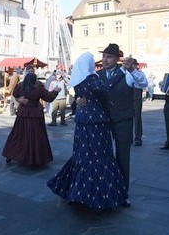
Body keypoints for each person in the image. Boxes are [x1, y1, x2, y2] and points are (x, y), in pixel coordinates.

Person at [47, 52, 127, 209]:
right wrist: (120, 73)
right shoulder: (92, 78)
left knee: (83, 154)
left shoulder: (78, 79)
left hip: (83, 119)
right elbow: (105, 88)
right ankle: (94, 195)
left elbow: (82, 96)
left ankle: (79, 190)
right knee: (99, 154)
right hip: (96, 120)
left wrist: (79, 99)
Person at [81, 43, 146, 206]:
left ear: (117, 59)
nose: (105, 59)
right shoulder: (97, 75)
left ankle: (123, 193)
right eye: (103, 56)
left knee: (123, 156)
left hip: (123, 120)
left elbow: (143, 83)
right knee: (103, 157)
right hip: (102, 122)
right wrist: (80, 100)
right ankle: (105, 190)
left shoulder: (127, 73)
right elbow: (88, 94)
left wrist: (132, 69)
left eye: (109, 56)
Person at [2, 72, 60, 166]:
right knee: (35, 136)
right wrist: (56, 91)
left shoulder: (20, 86)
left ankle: (11, 154)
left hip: (23, 114)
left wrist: (19, 99)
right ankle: (34, 158)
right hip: (35, 115)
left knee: (18, 135)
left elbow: (15, 93)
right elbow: (48, 98)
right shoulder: (38, 88)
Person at [131, 59, 146, 146]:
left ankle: (138, 138)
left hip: (136, 98)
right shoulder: (127, 74)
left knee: (137, 118)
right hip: (127, 98)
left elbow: (143, 83)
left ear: (136, 65)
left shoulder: (140, 74)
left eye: (133, 64)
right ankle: (129, 137)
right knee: (128, 118)